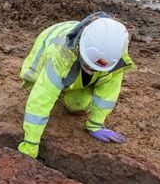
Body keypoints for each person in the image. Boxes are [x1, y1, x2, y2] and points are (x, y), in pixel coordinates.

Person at [17, 12, 136, 159]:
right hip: (49, 40)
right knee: (33, 78)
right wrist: (30, 143)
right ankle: (53, 82)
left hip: (81, 58)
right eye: (88, 65)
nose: (91, 70)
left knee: (78, 105)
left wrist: (95, 124)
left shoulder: (115, 57)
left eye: (96, 69)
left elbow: (107, 94)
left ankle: (67, 85)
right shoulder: (61, 54)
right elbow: (41, 99)